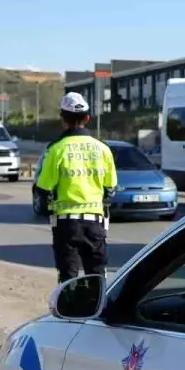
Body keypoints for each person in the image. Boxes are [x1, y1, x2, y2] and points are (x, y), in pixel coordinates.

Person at [35, 92, 118, 283]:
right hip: (95, 222)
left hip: (66, 224)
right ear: (88, 118)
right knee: (96, 275)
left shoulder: (56, 149)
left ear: (63, 119)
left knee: (68, 277)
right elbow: (111, 187)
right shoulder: (103, 149)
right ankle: (97, 309)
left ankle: (68, 310)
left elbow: (43, 187)